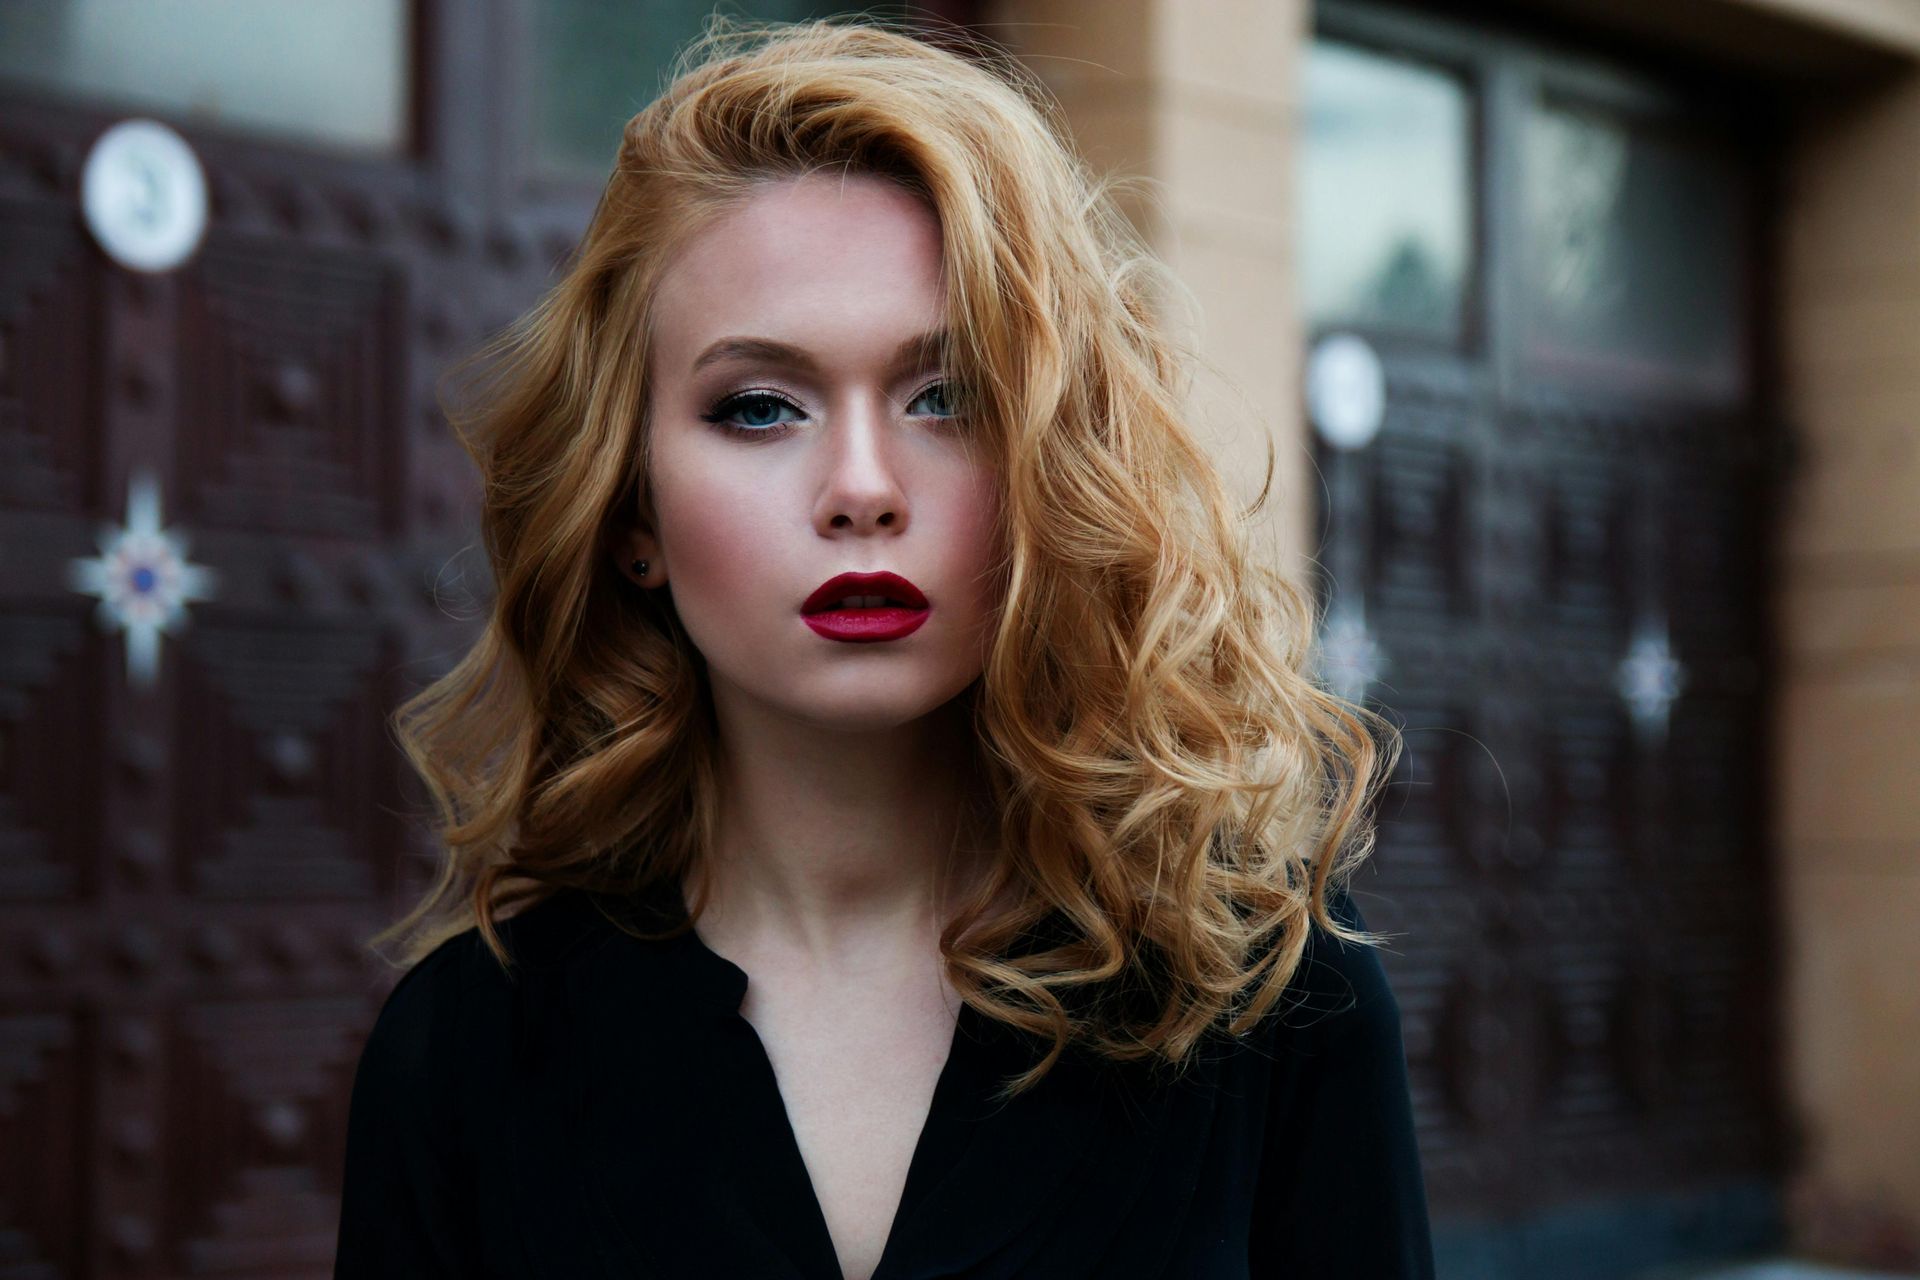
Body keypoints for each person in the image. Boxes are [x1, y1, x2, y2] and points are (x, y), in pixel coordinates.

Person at [333, 15, 1434, 1279]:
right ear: (633, 507)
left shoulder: (1264, 983)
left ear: (1047, 466)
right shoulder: (464, 1047)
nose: (862, 488)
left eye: (946, 396)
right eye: (760, 406)